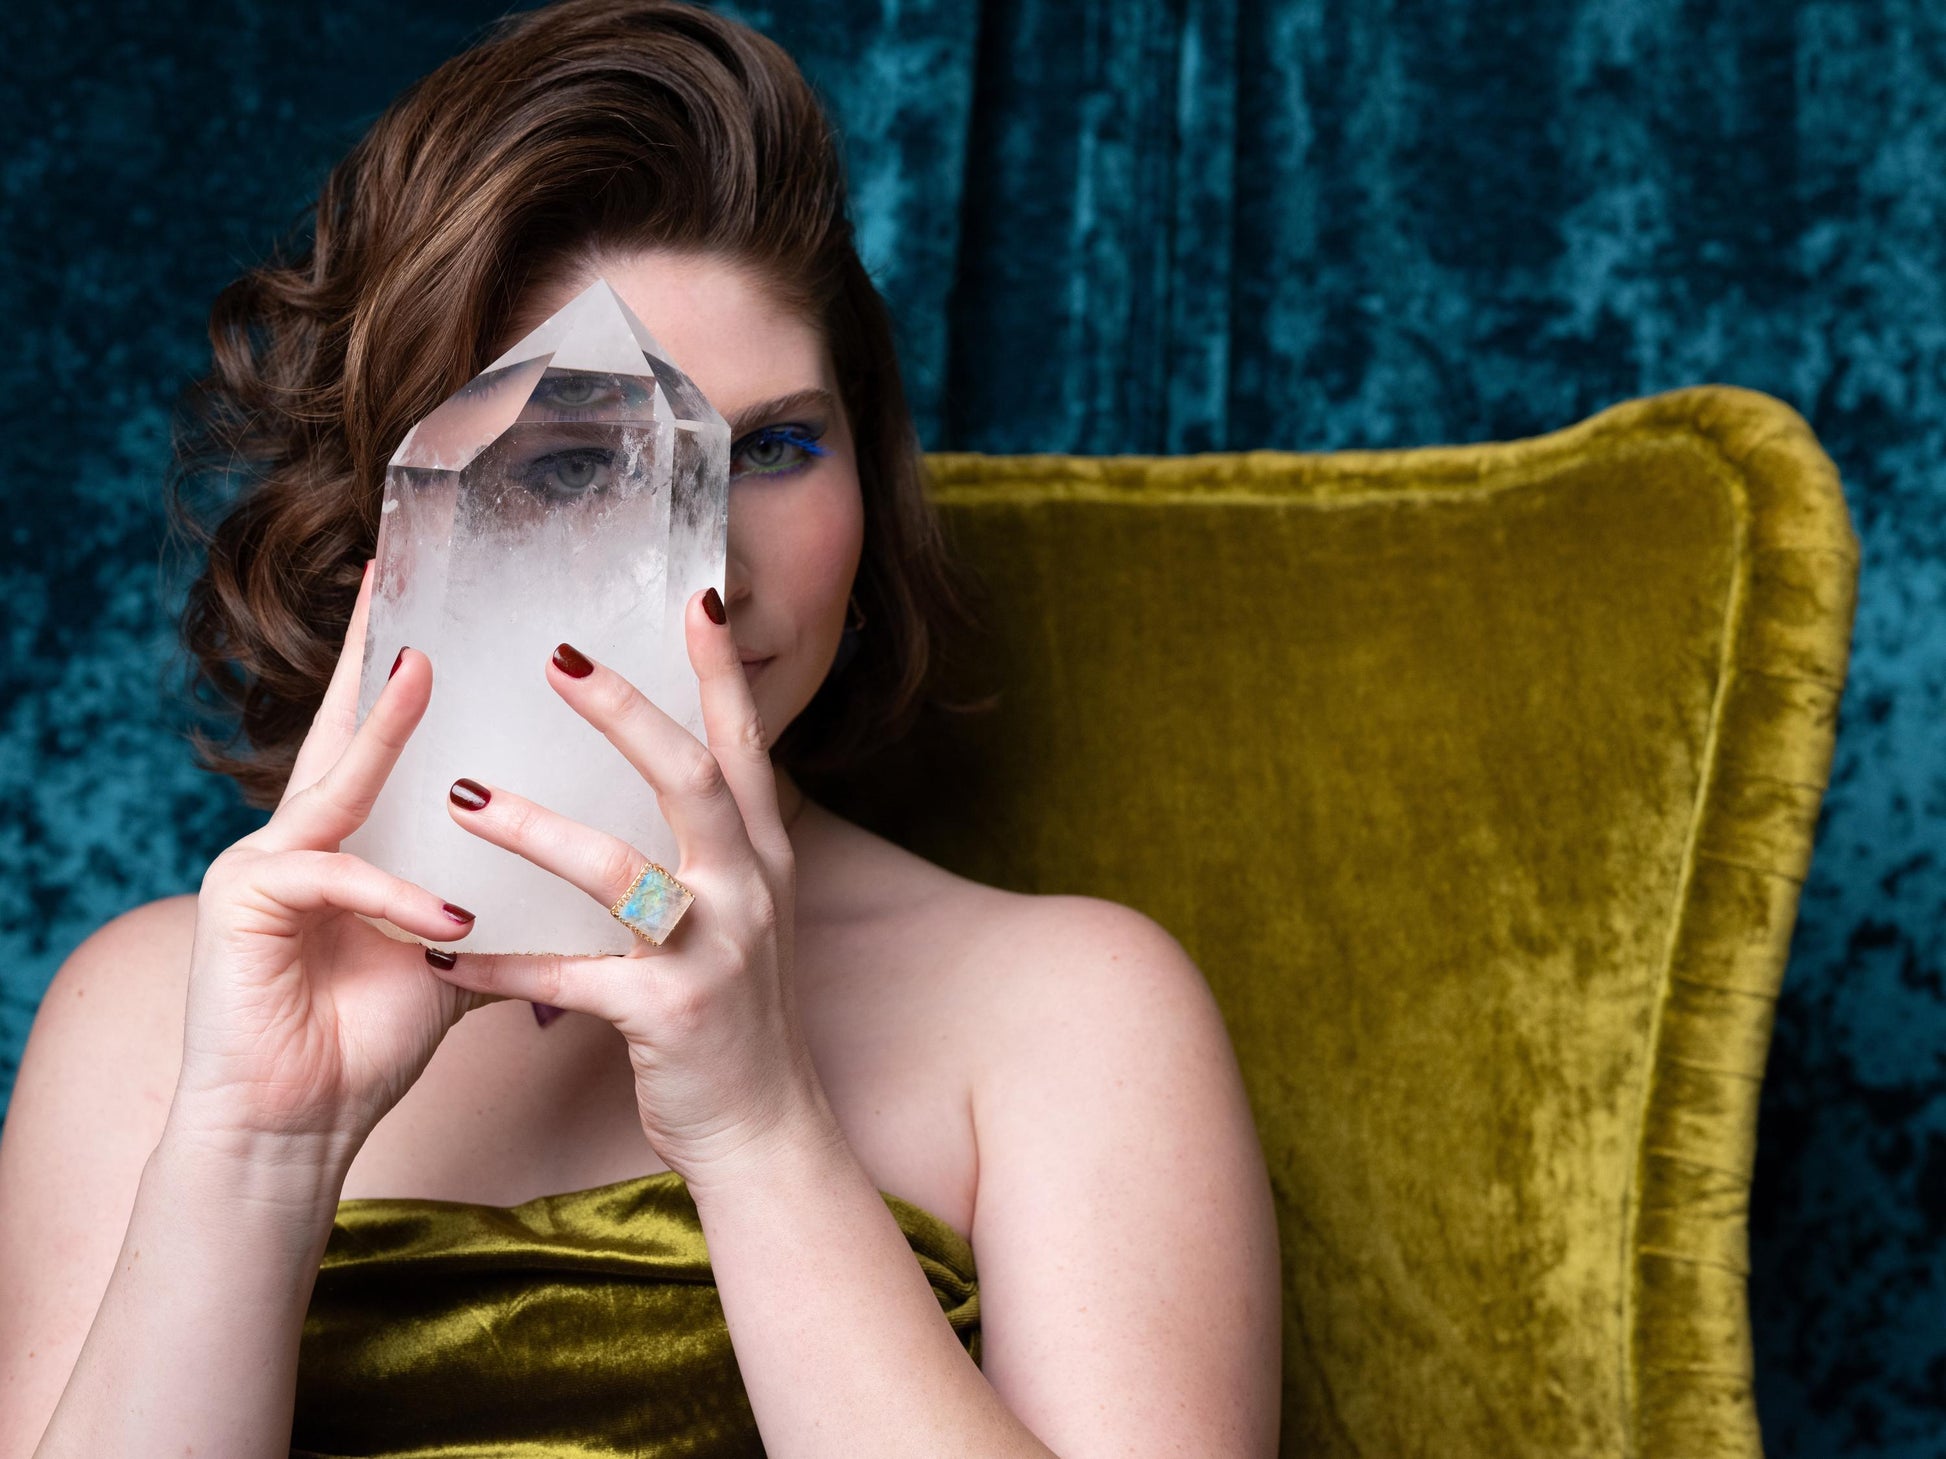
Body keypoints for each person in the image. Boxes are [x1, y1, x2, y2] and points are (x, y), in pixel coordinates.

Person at [0, 1, 1282, 1454]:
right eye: (581, 463)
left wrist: (756, 1123)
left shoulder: (1072, 1009)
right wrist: (260, 1151)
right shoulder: (152, 1012)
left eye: (777, 448)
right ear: (395, 518)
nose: (707, 571)